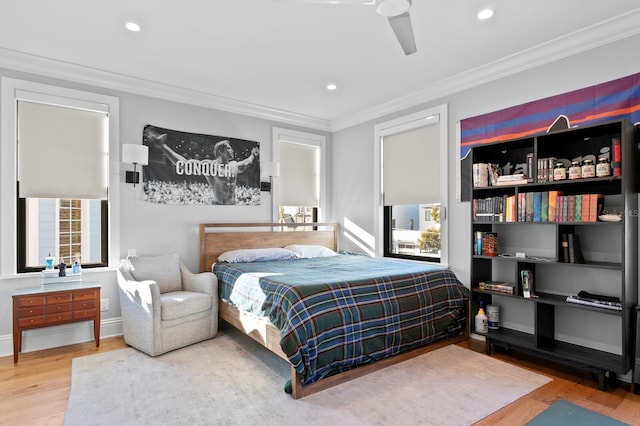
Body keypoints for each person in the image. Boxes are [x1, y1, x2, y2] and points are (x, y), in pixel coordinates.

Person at [150, 133, 259, 205]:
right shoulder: (210, 166)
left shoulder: (234, 165)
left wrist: (253, 155)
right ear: (221, 151)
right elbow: (183, 164)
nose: (232, 151)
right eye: (229, 148)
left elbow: (247, 163)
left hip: (233, 205)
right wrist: (163, 147)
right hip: (217, 206)